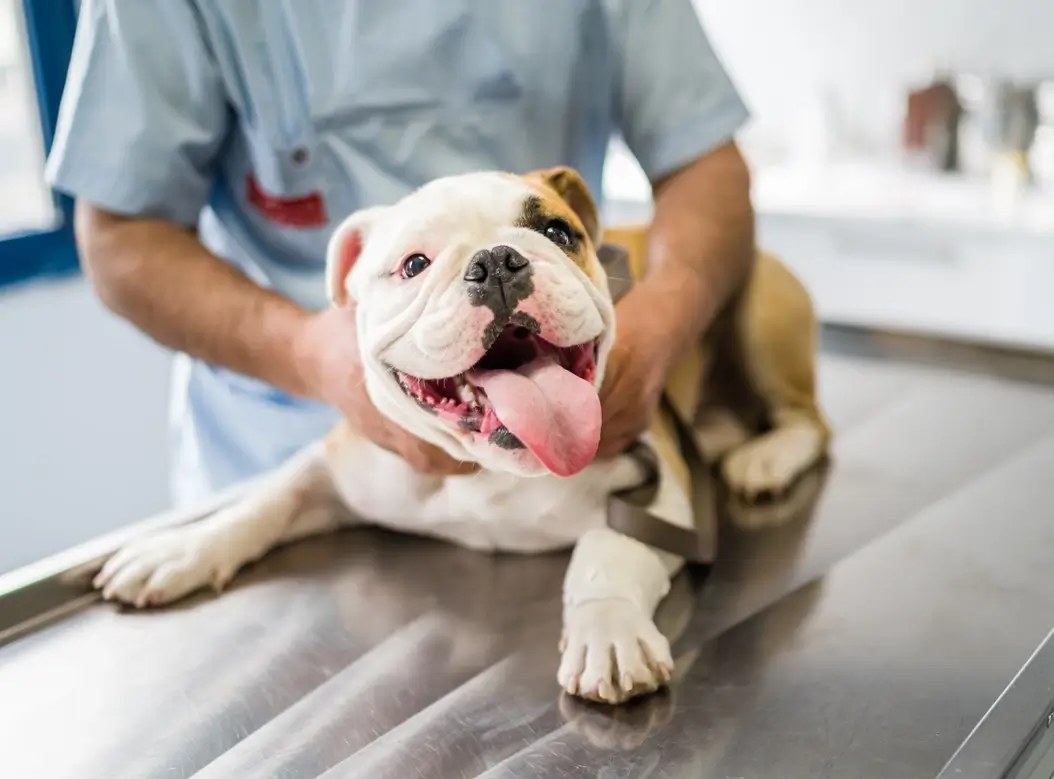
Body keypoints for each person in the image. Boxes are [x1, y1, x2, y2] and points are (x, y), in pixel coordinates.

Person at [46, 1, 756, 506]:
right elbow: (118, 234)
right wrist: (307, 354)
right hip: (285, 458)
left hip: (563, 439)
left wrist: (661, 322)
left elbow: (703, 162)